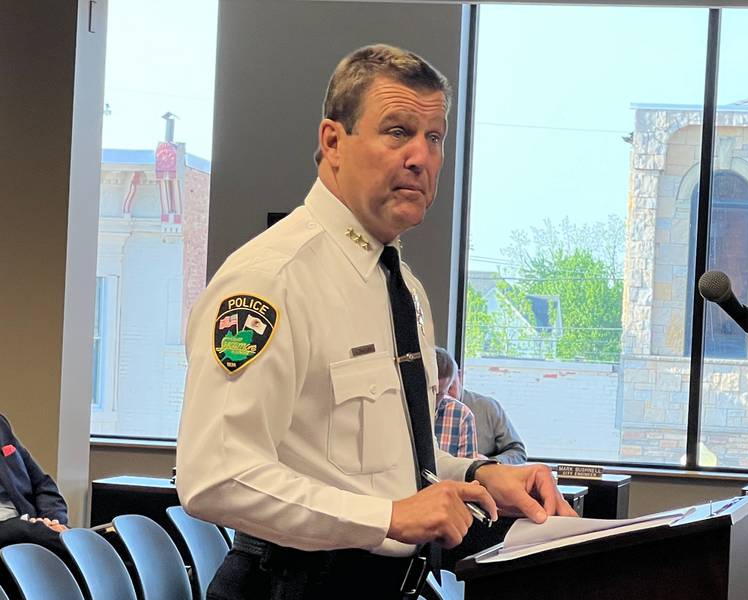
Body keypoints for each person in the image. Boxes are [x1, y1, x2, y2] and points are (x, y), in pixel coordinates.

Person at [176, 43, 575, 600]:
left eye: (434, 137)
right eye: (397, 131)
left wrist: (478, 476)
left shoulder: (401, 287)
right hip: (293, 585)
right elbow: (215, 476)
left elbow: (387, 460)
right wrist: (386, 518)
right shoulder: (271, 280)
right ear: (333, 142)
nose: (421, 156)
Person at [0, 414, 69, 557]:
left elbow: (43, 484)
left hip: (34, 527)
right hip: (13, 530)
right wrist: (32, 528)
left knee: (106, 539)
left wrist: (51, 520)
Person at [447, 366, 528, 465]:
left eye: (449, 387)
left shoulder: (487, 408)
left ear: (459, 376)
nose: (445, 397)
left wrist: (490, 463)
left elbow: (518, 453)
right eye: (436, 392)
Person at [434, 347, 479, 458]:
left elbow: (466, 472)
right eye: (428, 391)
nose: (432, 400)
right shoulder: (398, 409)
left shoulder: (461, 415)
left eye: (439, 394)